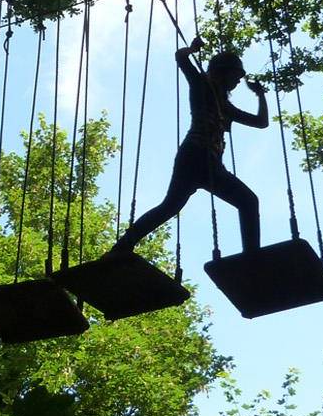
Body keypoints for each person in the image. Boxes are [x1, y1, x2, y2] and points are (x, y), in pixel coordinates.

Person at [111, 36, 268, 256]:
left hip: (203, 160)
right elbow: (181, 57)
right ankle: (252, 257)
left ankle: (121, 247)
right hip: (198, 154)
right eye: (236, 75)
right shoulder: (201, 84)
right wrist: (192, 49)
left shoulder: (225, 106)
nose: (238, 81)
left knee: (170, 207)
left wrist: (260, 95)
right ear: (223, 72)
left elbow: (261, 122)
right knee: (247, 201)